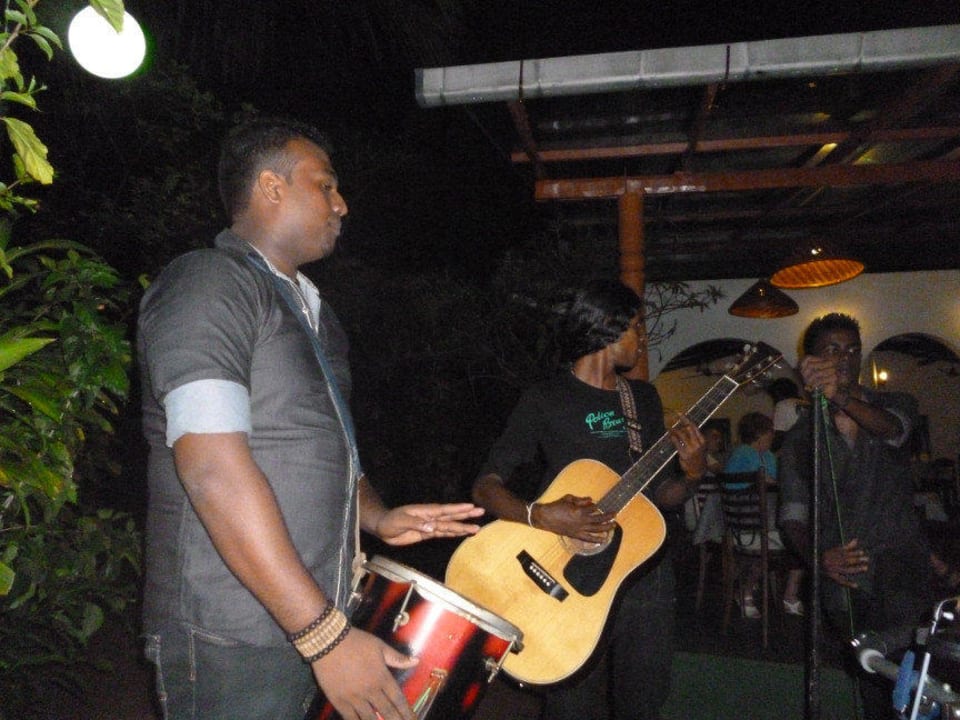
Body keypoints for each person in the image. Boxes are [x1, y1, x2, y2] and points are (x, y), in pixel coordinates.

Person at [137, 117, 484, 720]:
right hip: (234, 632)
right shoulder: (209, 282)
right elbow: (211, 469)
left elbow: (325, 451)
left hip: (311, 618)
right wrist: (323, 636)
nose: (341, 204)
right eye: (325, 185)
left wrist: (377, 517)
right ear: (271, 187)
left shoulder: (315, 317)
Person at [471, 280, 708, 720]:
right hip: (569, 574)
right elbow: (486, 486)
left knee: (644, 705)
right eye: (637, 326)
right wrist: (540, 515)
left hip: (644, 574)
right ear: (608, 327)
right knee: (571, 708)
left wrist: (693, 473)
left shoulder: (642, 399)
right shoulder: (545, 399)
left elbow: (662, 496)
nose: (643, 339)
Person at [778, 313, 933, 719]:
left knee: (913, 681)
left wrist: (842, 397)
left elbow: (894, 431)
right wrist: (818, 558)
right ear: (812, 360)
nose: (844, 358)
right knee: (872, 684)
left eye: (852, 350)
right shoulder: (801, 437)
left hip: (901, 569)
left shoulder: (895, 404)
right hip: (846, 582)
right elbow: (792, 515)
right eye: (832, 350)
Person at [721, 412, 804, 618]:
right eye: (770, 431)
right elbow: (772, 482)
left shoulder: (764, 455)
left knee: (798, 536)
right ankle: (786, 594)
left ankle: (759, 591)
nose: (773, 434)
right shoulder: (746, 454)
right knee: (800, 539)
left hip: (750, 525)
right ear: (760, 433)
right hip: (750, 527)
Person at [766, 376, 803, 452]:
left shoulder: (782, 405)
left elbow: (779, 436)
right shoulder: (804, 403)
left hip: (797, 450)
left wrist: (766, 453)